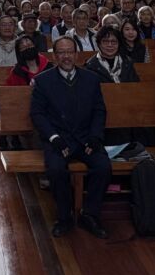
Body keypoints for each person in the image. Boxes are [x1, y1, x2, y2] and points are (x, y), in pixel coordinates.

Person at [31, 36, 111, 239]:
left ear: (76, 54)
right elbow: (37, 114)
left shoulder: (91, 79)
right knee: (56, 169)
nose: (66, 56)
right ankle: (64, 216)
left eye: (70, 52)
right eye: (61, 52)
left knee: (103, 166)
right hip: (60, 140)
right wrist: (54, 138)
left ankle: (90, 214)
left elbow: (99, 111)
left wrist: (95, 137)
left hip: (85, 139)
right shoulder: (43, 81)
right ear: (55, 56)